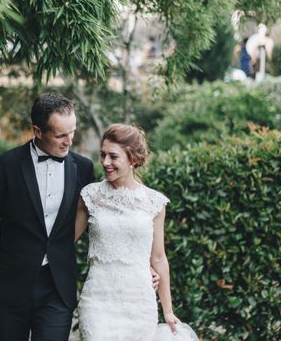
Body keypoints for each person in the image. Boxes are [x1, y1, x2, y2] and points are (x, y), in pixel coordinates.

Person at [0, 93, 94, 341]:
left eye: (72, 132)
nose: (69, 141)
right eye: (61, 135)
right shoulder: (4, 166)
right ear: (37, 131)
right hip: (9, 286)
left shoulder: (83, 168)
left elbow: (96, 223)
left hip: (57, 287)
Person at [75, 124, 197, 340]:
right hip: (98, 300)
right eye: (102, 155)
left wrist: (168, 311)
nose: (105, 162)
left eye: (113, 156)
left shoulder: (154, 203)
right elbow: (65, 242)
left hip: (139, 300)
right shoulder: (90, 196)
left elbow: (158, 258)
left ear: (133, 159)